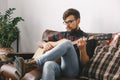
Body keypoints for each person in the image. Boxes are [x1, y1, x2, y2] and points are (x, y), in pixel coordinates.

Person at [14, 8, 97, 80]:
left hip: (73, 70)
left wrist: (82, 49)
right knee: (48, 64)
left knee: (67, 43)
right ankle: (32, 64)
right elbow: (40, 42)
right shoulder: (62, 34)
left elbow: (85, 63)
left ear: (78, 20)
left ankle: (34, 63)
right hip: (59, 67)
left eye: (70, 22)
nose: (67, 26)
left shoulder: (86, 38)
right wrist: (45, 45)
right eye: (65, 22)